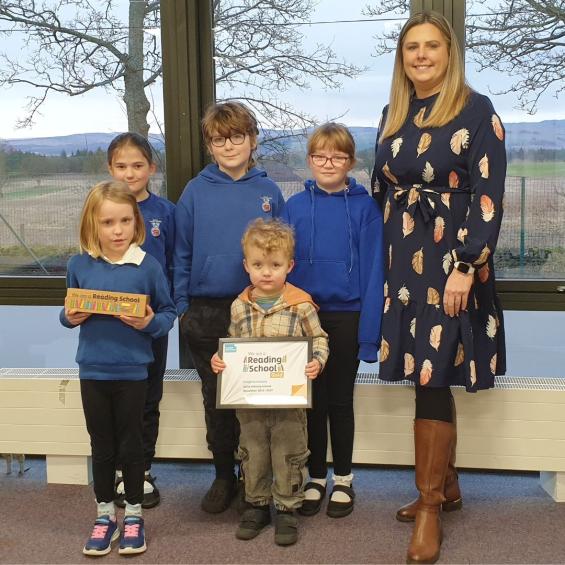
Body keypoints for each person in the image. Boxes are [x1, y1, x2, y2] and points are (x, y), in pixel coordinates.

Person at [371, 11, 506, 564]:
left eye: (431, 47)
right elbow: (382, 185)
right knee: (428, 370)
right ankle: (445, 486)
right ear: (401, 59)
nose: (421, 56)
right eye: (411, 49)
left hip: (453, 263)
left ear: (449, 54)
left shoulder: (477, 111)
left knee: (434, 372)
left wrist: (466, 265)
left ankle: (429, 507)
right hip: (405, 261)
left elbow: (489, 194)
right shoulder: (393, 112)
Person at [173, 101, 286, 514]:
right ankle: (224, 476)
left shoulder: (268, 192)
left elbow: (283, 252)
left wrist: (278, 301)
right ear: (210, 145)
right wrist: (184, 306)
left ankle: (260, 479)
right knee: (217, 400)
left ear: (252, 140)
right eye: (220, 139)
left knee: (258, 401)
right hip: (207, 311)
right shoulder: (194, 192)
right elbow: (181, 254)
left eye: (237, 136)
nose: (229, 145)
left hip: (260, 310)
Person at [60, 181, 177, 556]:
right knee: (102, 445)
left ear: (136, 222)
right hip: (92, 371)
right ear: (92, 224)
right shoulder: (78, 264)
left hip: (133, 373)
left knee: (131, 446)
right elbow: (67, 311)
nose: (117, 230)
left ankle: (134, 516)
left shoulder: (148, 266)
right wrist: (68, 317)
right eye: (108, 222)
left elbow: (168, 312)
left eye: (125, 220)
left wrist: (148, 324)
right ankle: (104, 513)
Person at [282, 123, 384, 518]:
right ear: (309, 161)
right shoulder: (293, 208)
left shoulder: (365, 209)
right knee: (311, 403)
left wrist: (369, 337)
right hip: (303, 318)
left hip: (347, 316)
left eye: (337, 157)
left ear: (350, 162)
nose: (328, 163)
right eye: (320, 156)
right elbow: (280, 269)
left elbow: (375, 273)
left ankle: (343, 478)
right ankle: (316, 477)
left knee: (340, 401)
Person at [211, 218, 329, 546]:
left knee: (288, 452)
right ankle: (257, 505)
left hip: (290, 404)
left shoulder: (301, 305)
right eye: (259, 264)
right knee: (253, 451)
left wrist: (316, 362)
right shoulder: (239, 307)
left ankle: (287, 509)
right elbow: (231, 346)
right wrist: (220, 361)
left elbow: (319, 340)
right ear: (246, 265)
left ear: (289, 266)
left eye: (275, 265)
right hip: (249, 405)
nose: (267, 272)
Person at [107, 132, 175, 509]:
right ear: (110, 169)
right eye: (121, 166)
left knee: (148, 398)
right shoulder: (99, 209)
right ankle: (119, 472)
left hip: (151, 326)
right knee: (116, 399)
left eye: (137, 165)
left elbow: (176, 262)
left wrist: (170, 310)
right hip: (108, 325)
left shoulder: (166, 213)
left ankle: (142, 471)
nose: (129, 173)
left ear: (152, 167)